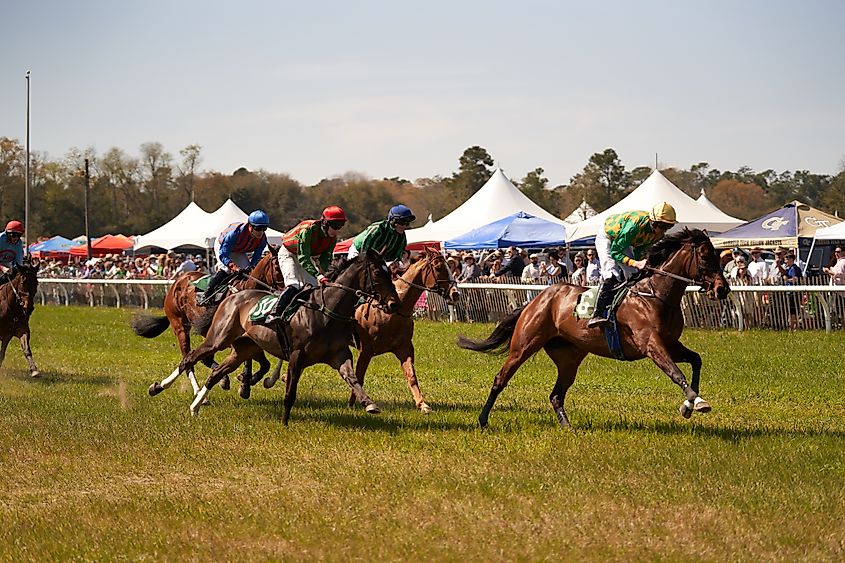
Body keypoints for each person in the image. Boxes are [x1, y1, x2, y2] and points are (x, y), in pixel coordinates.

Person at [587, 202, 677, 328]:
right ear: (654, 222)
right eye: (662, 226)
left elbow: (640, 250)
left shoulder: (658, 234)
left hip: (624, 242)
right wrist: (635, 262)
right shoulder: (634, 226)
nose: (663, 231)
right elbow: (615, 251)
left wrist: (641, 262)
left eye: (668, 227)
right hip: (608, 237)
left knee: (634, 275)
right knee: (612, 274)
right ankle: (597, 314)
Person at [264, 206, 346, 324]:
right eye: (335, 226)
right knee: (294, 285)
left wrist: (324, 273)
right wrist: (318, 275)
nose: (337, 230)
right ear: (325, 223)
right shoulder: (308, 230)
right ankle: (274, 313)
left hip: (305, 258)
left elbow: (325, 258)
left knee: (313, 287)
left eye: (340, 226)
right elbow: (303, 258)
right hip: (289, 254)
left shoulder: (332, 238)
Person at [200, 210, 270, 305]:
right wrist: (233, 266)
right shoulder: (234, 233)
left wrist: (251, 267)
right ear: (250, 226)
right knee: (226, 269)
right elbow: (223, 254)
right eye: (258, 228)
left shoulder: (262, 239)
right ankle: (207, 294)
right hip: (222, 246)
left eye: (264, 228)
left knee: (247, 271)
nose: (261, 232)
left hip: (238, 250)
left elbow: (256, 257)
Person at [347, 204, 415, 263]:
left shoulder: (402, 237)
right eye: (402, 222)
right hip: (358, 250)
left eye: (407, 223)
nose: (405, 226)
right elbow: (365, 248)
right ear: (393, 221)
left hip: (378, 258)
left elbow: (397, 258)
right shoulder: (378, 228)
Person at [778, 251, 803, 331]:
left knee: (793, 311)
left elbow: (796, 279)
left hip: (794, 292)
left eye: (786, 260)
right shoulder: (789, 268)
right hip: (789, 292)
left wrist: (787, 280)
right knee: (791, 310)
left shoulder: (795, 268)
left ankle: (794, 327)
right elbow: (784, 272)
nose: (785, 262)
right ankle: (792, 327)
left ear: (791, 259)